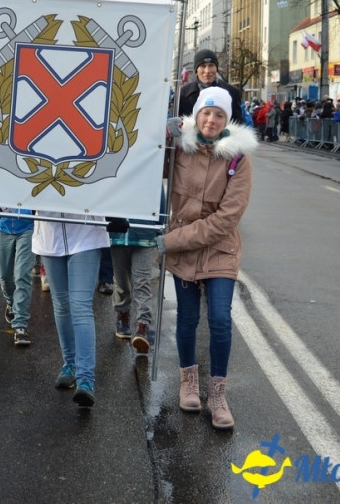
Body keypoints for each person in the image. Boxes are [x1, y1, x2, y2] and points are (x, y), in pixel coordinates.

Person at [158, 87, 257, 428]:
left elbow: (226, 219)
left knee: (219, 319)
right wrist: (160, 139)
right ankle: (189, 382)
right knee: (186, 318)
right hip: (184, 252)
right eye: (206, 113)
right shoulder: (179, 151)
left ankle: (218, 394)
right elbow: (145, 171)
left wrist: (170, 241)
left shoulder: (238, 161)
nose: (211, 120)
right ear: (196, 116)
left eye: (219, 115)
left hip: (218, 249)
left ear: (227, 119)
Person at [33, 211, 112, 408]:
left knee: (80, 305)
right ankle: (70, 364)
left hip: (86, 233)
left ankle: (86, 378)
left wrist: (115, 214)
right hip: (49, 234)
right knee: (61, 304)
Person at [109, 212, 161, 354]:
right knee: (121, 282)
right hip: (117, 236)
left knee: (142, 281)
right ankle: (122, 313)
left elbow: (160, 200)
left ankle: (143, 324)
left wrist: (160, 227)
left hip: (145, 235)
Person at [0, 207, 35, 346]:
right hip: (3, 227)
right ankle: (11, 303)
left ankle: (20, 325)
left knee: (22, 275)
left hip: (28, 227)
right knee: (4, 275)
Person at [177, 49, 245, 124]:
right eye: (203, 66)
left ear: (216, 68)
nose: (207, 71)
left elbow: (237, 124)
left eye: (211, 65)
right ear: (196, 70)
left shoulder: (232, 92)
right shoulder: (183, 94)